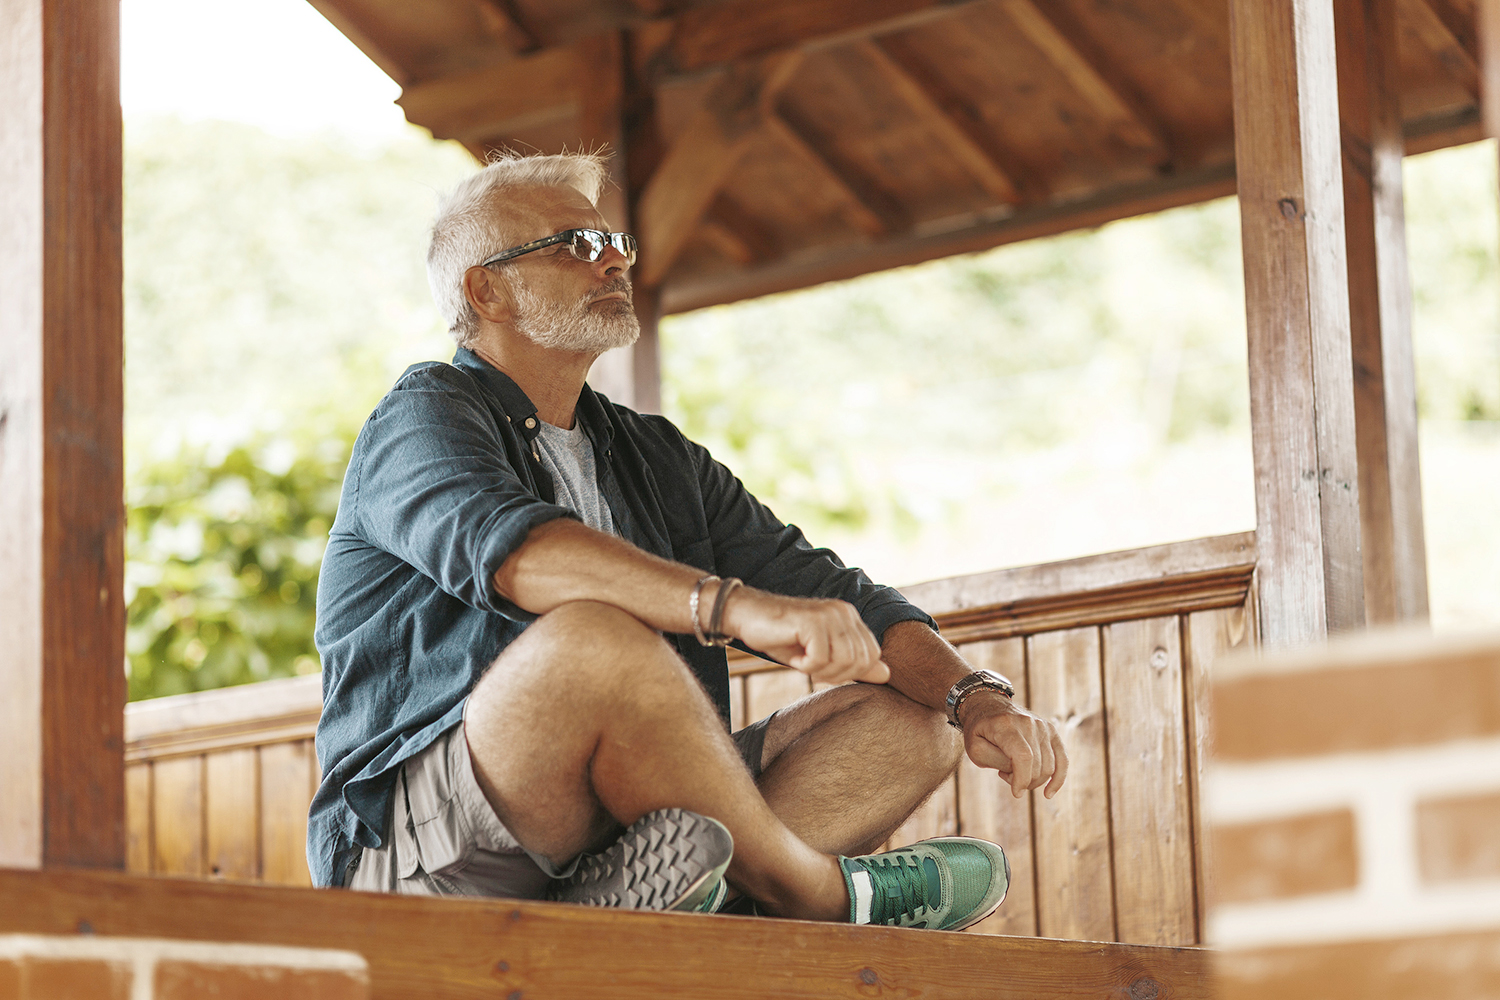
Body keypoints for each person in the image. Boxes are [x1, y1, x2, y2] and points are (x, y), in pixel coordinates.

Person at [310, 151, 1068, 929]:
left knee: (916, 725)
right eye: (576, 245)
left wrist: (974, 698)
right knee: (594, 636)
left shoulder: (654, 453)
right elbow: (522, 557)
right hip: (414, 852)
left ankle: (648, 910)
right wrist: (730, 609)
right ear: (486, 289)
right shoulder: (422, 414)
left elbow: (834, 592)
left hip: (620, 832)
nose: (611, 263)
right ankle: (818, 894)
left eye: (616, 245)